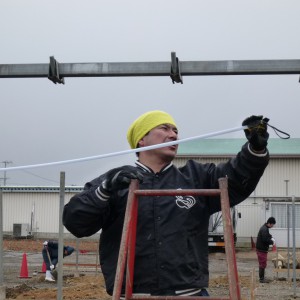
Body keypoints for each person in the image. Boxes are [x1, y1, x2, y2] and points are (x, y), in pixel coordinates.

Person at [63, 110, 270, 297]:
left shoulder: (195, 178)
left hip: (189, 293)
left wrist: (255, 150)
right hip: (133, 294)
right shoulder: (117, 181)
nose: (173, 135)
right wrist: (105, 189)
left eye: (175, 130)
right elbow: (76, 223)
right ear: (142, 140)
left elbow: (235, 180)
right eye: (164, 128)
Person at [256, 217, 276, 283]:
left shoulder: (265, 228)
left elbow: (267, 235)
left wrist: (271, 237)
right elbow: (265, 240)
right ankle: (261, 279)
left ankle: (262, 277)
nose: (272, 226)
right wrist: (272, 242)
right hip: (261, 249)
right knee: (262, 264)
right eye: (272, 224)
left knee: (263, 263)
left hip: (261, 249)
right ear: (269, 223)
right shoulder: (264, 229)